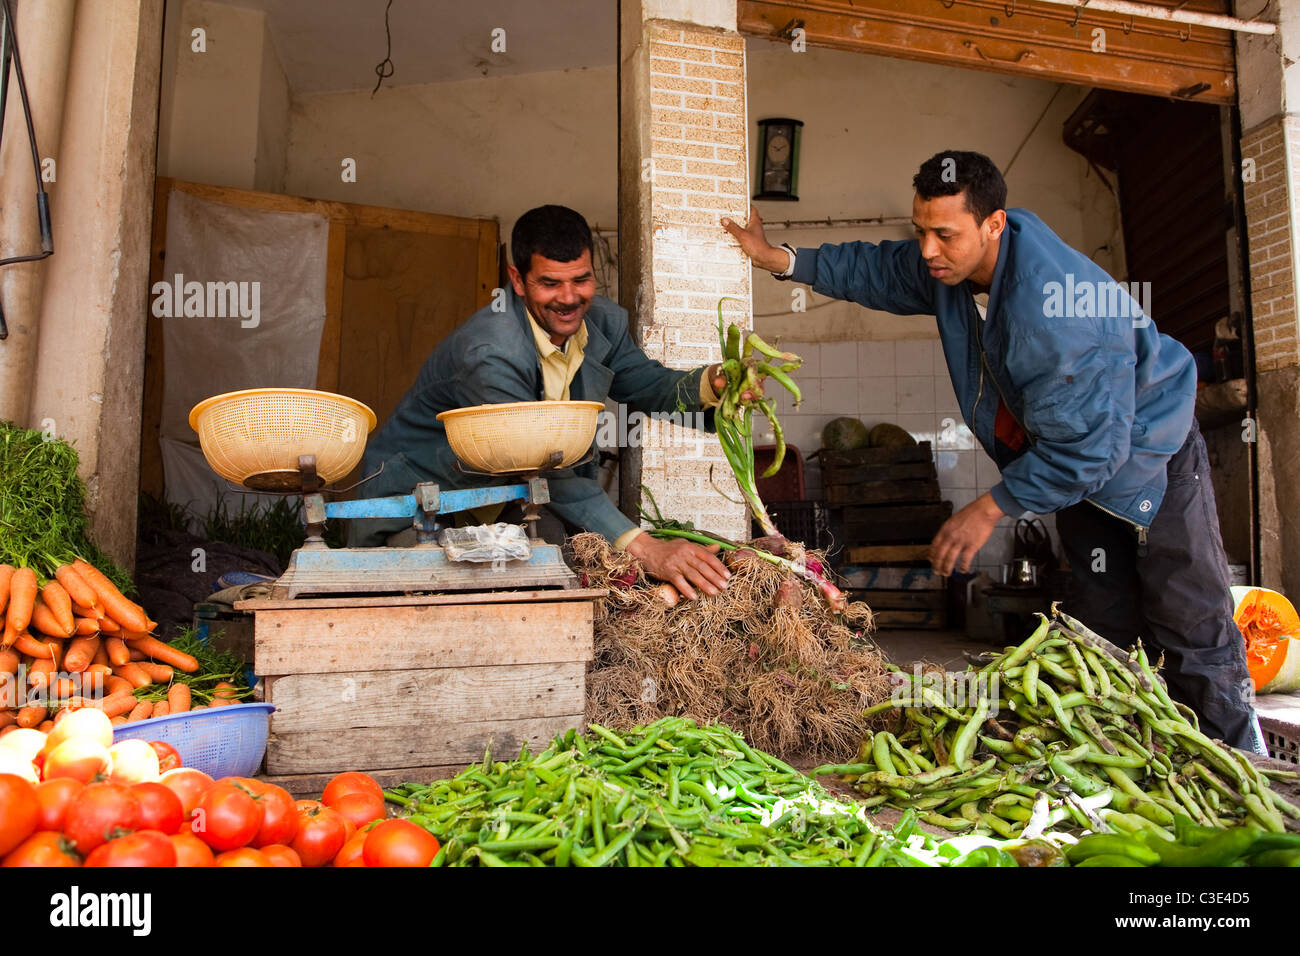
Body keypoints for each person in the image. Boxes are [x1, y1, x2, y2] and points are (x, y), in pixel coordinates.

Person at [721, 150, 1261, 751]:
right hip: (1068, 464)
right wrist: (783, 261)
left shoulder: (1055, 315)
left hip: (1147, 460)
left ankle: (1241, 766)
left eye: (944, 235)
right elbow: (884, 269)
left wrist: (991, 506)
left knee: (1188, 623)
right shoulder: (957, 262)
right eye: (921, 230)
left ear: (994, 224)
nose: (928, 250)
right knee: (1102, 626)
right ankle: (1134, 761)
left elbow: (1091, 454)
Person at [350, 204, 744, 601]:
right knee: (437, 599)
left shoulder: (601, 323)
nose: (569, 298)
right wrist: (646, 548)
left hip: (503, 500)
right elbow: (541, 467)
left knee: (560, 557)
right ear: (518, 281)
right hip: (423, 505)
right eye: (550, 283)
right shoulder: (492, 351)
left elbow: (647, 385)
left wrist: (712, 384)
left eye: (581, 279)